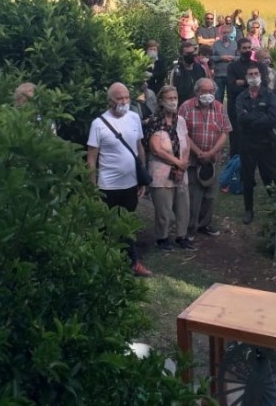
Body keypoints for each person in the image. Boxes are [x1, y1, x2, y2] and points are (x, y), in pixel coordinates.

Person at [86, 83, 152, 277]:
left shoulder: (134, 118)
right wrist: (93, 189)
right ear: (110, 100)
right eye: (119, 98)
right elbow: (91, 159)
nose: (123, 102)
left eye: (126, 98)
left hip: (130, 184)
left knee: (127, 224)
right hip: (108, 185)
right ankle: (107, 264)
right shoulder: (98, 124)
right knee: (106, 226)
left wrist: (142, 178)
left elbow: (139, 147)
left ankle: (131, 263)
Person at [178, 78, 231, 239]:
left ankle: (205, 224)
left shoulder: (219, 107)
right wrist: (198, 152)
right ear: (197, 92)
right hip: (194, 160)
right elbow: (182, 133)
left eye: (211, 92)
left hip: (213, 159)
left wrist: (211, 152)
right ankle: (191, 227)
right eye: (204, 91)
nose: (208, 95)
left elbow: (225, 132)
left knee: (211, 195)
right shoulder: (186, 107)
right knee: (194, 196)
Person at [146, 86, 195, 251]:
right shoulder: (153, 121)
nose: (173, 102)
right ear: (161, 101)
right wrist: (176, 162)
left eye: (175, 98)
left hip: (180, 170)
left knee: (183, 207)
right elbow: (156, 149)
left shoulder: (180, 120)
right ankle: (162, 238)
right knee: (164, 209)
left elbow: (186, 142)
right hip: (161, 171)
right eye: (169, 98)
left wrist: (184, 163)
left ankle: (182, 236)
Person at [236, 65, 276, 224]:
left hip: (266, 143)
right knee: (247, 178)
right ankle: (248, 210)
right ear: (246, 77)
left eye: (255, 73)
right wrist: (261, 117)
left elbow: (274, 118)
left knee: (269, 177)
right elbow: (240, 119)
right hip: (247, 144)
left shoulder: (269, 95)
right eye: (250, 74)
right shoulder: (241, 97)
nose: (253, 76)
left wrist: (252, 119)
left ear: (260, 76)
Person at [227, 38, 268, 156]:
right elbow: (232, 87)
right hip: (237, 106)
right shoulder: (232, 67)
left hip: (257, 105)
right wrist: (252, 83)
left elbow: (263, 85)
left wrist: (243, 82)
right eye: (244, 48)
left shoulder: (259, 66)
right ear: (238, 50)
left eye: (249, 48)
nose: (247, 50)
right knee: (236, 137)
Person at [211, 25, 238, 103]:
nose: (226, 34)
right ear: (220, 34)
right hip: (219, 75)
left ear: (231, 33)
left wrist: (233, 58)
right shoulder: (215, 44)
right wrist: (221, 58)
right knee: (218, 97)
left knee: (231, 98)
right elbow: (211, 57)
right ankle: (219, 114)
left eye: (227, 32)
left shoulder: (235, 44)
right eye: (224, 33)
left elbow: (240, 57)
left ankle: (230, 114)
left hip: (231, 75)